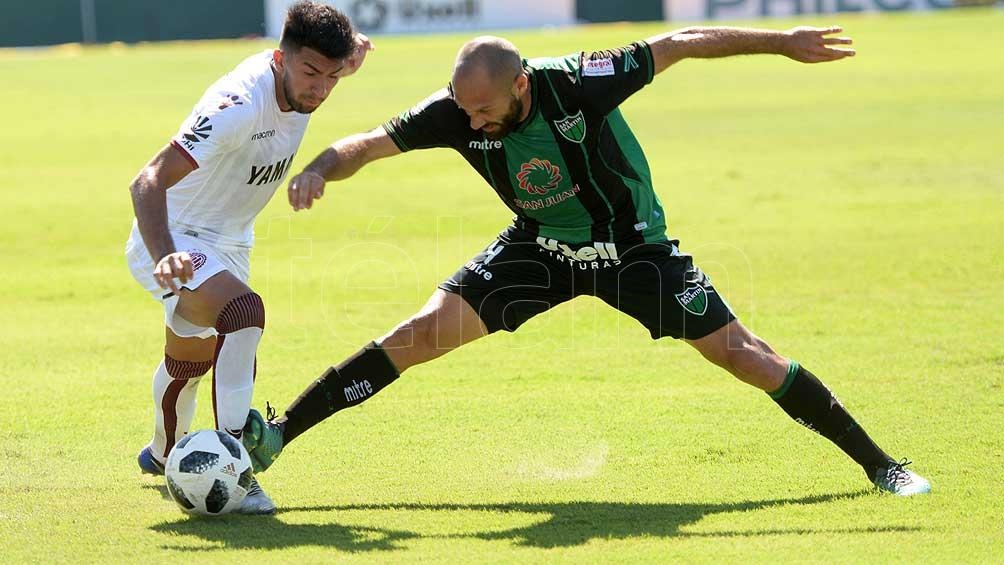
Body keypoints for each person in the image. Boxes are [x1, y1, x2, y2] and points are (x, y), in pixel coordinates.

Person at [242, 25, 931, 498]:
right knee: (417, 334)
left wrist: (784, 43)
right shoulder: (457, 110)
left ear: (519, 85)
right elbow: (367, 143)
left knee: (746, 355)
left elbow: (682, 42)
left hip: (633, 250)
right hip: (540, 247)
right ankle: (276, 435)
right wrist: (321, 171)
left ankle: (882, 465)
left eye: (485, 111)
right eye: (465, 111)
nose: (473, 124)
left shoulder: (579, 81)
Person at [125, 0, 372, 514]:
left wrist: (352, 56)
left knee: (191, 360)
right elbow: (146, 180)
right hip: (176, 236)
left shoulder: (318, 73)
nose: (320, 89)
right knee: (244, 314)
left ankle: (163, 450)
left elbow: (336, 62)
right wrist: (165, 255)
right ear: (280, 60)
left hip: (232, 240)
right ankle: (238, 468)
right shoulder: (236, 105)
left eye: (332, 76)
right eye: (310, 73)